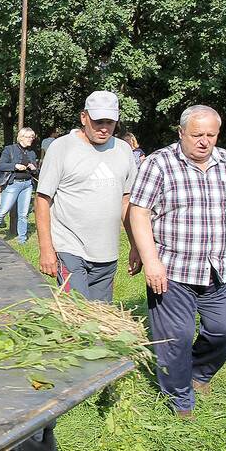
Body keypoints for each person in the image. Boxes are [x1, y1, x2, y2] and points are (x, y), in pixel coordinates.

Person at [128, 105, 226, 418]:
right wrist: (150, 260)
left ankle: (199, 373)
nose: (204, 141)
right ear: (181, 133)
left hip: (219, 267)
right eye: (197, 135)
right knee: (175, 339)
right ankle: (180, 400)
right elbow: (139, 212)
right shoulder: (159, 163)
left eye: (210, 135)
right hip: (173, 269)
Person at [36, 92, 138, 303]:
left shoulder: (123, 150)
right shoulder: (62, 147)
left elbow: (126, 202)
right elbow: (42, 199)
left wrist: (135, 245)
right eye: (98, 121)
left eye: (109, 122)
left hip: (106, 252)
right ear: (84, 117)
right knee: (77, 314)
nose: (104, 128)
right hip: (69, 248)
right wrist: (46, 249)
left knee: (100, 320)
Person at [0, 127, 38, 243]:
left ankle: (22, 239)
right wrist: (15, 166)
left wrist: (34, 168)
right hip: (13, 184)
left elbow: (35, 171)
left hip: (27, 185)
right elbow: (1, 166)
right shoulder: (9, 149)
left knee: (24, 214)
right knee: (2, 211)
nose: (31, 139)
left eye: (32, 137)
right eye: (29, 137)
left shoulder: (31, 152)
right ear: (21, 137)